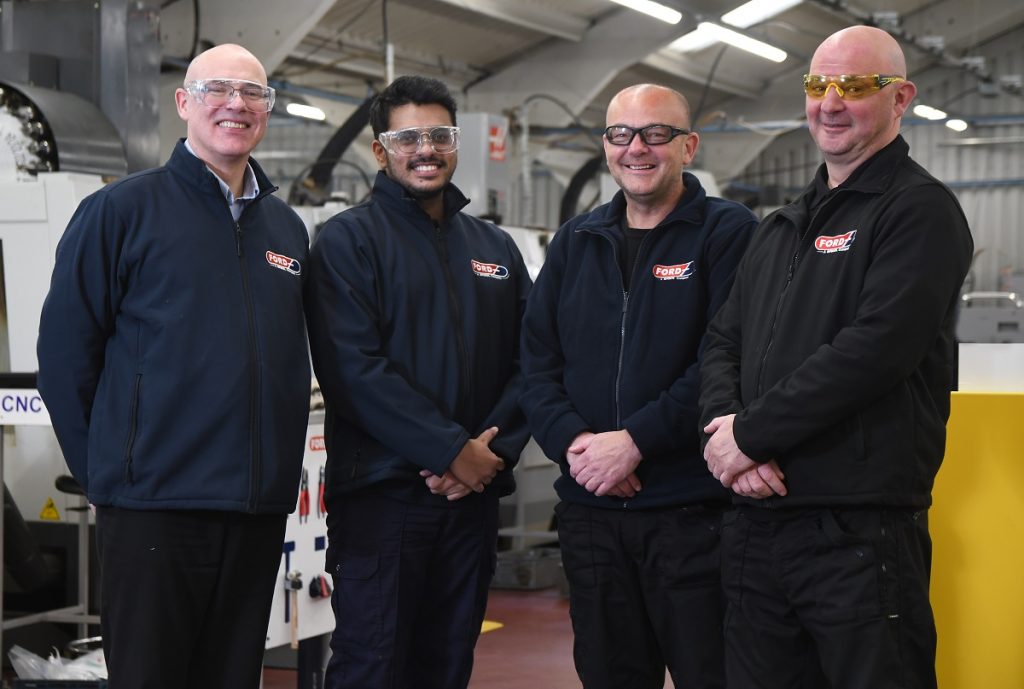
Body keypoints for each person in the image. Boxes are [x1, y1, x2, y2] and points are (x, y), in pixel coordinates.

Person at [699, 26, 974, 689]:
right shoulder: (781, 226)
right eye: (818, 84)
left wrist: (751, 436)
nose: (830, 101)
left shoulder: (919, 211)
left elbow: (876, 350)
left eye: (854, 86)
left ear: (899, 97)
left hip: (856, 534)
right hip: (755, 526)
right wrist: (725, 430)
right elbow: (722, 341)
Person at [36, 44, 311, 689]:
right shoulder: (121, 212)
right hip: (155, 506)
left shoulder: (286, 231)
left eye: (253, 95)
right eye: (218, 89)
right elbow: (64, 356)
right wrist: (110, 475)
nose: (236, 105)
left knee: (232, 675)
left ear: (267, 113)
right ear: (183, 102)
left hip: (254, 510)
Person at [520, 83, 756, 689]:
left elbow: (722, 358)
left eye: (657, 133)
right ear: (606, 146)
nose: (637, 148)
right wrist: (577, 446)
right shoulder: (577, 240)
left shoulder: (729, 233)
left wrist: (636, 442)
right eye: (621, 134)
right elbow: (537, 359)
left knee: (714, 673)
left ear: (689, 146)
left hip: (692, 514)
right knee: (609, 673)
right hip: (592, 513)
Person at [304, 75, 532, 689]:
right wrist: (450, 451)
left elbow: (532, 361)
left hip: (471, 503)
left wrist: (491, 454)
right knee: (373, 665)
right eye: (408, 137)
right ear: (380, 150)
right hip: (385, 501)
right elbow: (353, 370)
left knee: (447, 664)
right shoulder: (348, 242)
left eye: (439, 135)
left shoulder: (494, 247)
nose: (425, 149)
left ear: (456, 145)